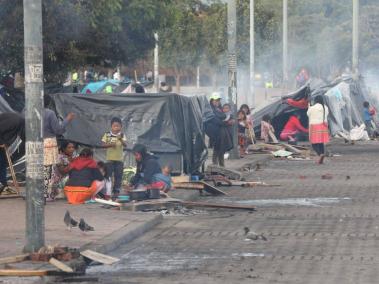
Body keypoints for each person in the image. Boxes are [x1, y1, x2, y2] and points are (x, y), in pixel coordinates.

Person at [43, 95, 75, 201]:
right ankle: (46, 194)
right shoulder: (49, 113)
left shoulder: (29, 111)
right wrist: (67, 120)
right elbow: (58, 130)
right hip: (48, 144)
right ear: (48, 103)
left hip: (33, 143)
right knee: (48, 169)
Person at [204, 93, 233, 167]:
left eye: (218, 100)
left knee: (221, 150)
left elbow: (223, 119)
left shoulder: (219, 109)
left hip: (221, 133)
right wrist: (227, 123)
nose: (217, 102)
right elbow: (216, 121)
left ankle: (221, 166)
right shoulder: (210, 110)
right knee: (216, 149)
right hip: (215, 133)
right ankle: (215, 166)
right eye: (215, 100)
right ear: (211, 101)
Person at [101, 117, 127, 199]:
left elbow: (125, 145)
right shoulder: (107, 134)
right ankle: (107, 193)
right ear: (111, 126)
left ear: (121, 127)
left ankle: (116, 192)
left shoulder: (122, 135)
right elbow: (103, 145)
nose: (116, 128)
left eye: (118, 126)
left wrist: (121, 140)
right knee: (108, 176)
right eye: (114, 126)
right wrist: (110, 145)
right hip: (110, 160)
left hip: (119, 160)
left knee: (118, 176)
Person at [0, 113, 25, 194]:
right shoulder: (15, 121)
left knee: (3, 162)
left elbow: (23, 137)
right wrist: (2, 142)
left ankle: (3, 186)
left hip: (2, 142)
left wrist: (6, 145)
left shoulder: (20, 124)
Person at [307, 95, 329, 164]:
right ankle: (321, 156)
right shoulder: (325, 107)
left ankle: (320, 154)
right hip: (323, 125)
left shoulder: (313, 107)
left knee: (314, 143)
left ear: (316, 100)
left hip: (315, 125)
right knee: (321, 142)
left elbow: (308, 114)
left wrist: (309, 107)